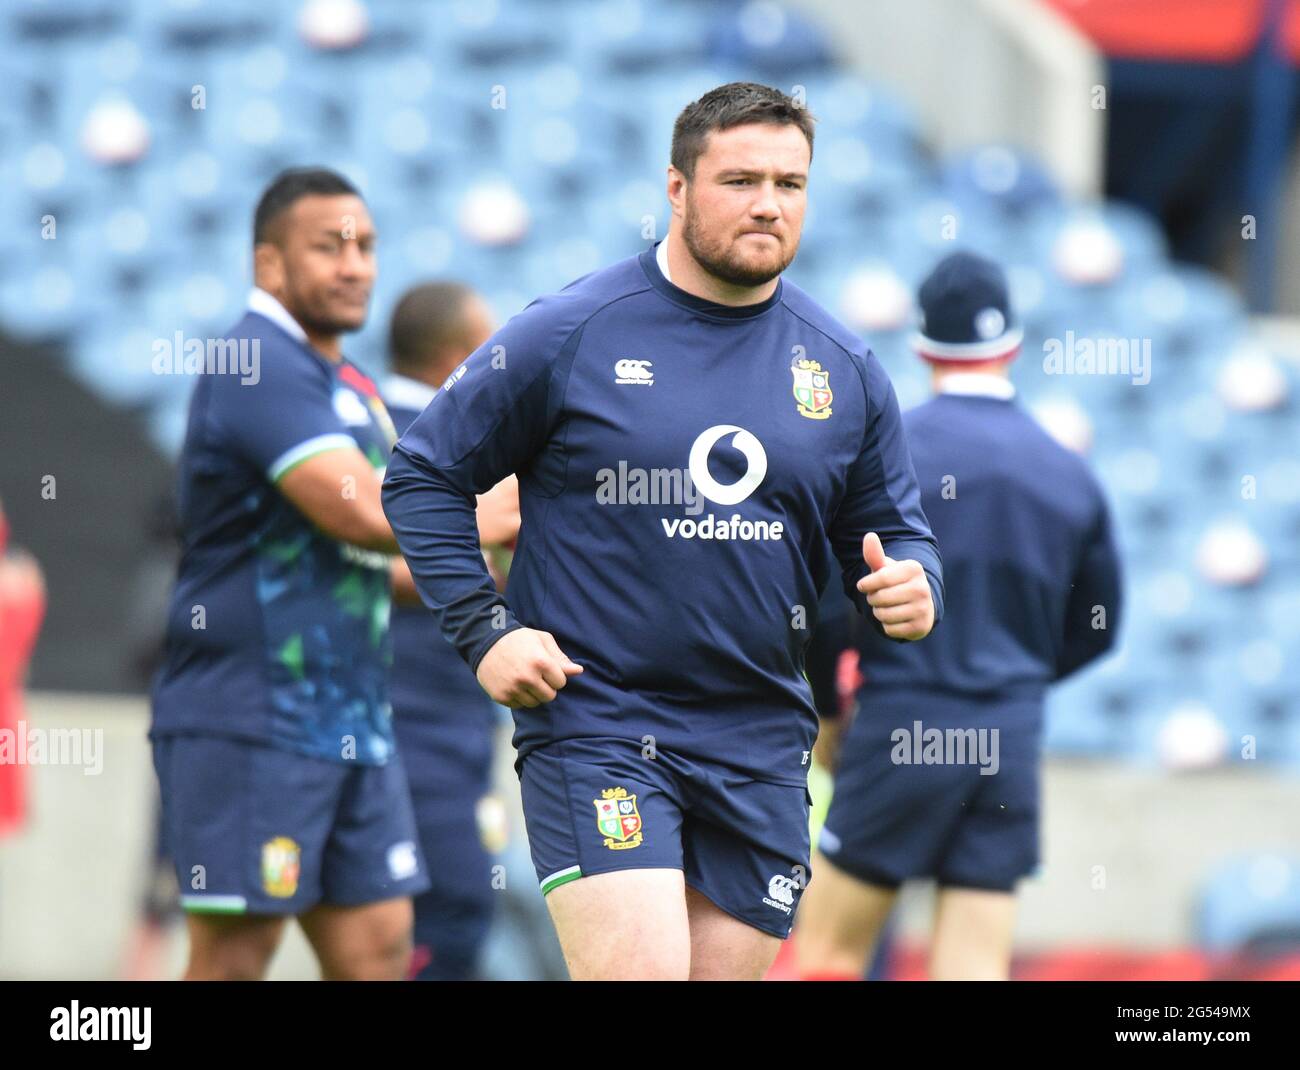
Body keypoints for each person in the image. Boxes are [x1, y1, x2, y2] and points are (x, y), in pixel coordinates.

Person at [382, 82, 944, 982]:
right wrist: (482, 632)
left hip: (761, 744)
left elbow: (896, 536)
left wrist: (917, 586)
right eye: (741, 179)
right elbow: (421, 474)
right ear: (677, 189)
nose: (768, 203)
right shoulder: (568, 332)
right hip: (601, 721)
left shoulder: (843, 370)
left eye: (790, 184)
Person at [794, 251, 1123, 981]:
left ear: (920, 346)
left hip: (901, 721)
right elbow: (1101, 627)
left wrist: (826, 709)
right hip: (1008, 733)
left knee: (825, 958)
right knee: (973, 970)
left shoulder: (886, 450)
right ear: (1012, 343)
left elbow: (823, 605)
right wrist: (1018, 679)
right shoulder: (1068, 470)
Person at [150, 167, 429, 981]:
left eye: (367, 246)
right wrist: (529, 504)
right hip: (253, 718)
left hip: (353, 719)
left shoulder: (348, 382)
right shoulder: (252, 358)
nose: (355, 266)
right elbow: (365, 514)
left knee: (380, 946)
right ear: (269, 264)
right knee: (236, 958)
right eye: (329, 247)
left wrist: (502, 577)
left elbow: (373, 558)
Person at [381, 282, 520, 980]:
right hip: (419, 718)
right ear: (457, 355)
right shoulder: (418, 440)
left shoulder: (363, 423)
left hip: (441, 718)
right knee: (450, 909)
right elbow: (370, 566)